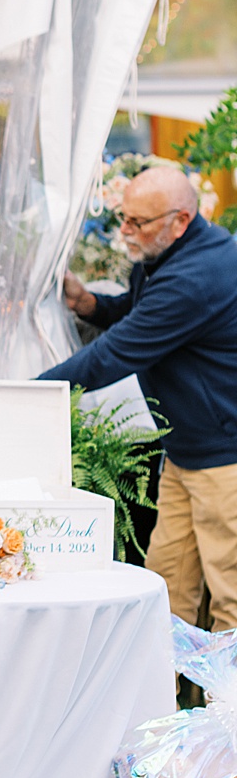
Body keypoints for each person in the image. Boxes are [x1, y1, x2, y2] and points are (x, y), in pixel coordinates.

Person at [41, 164, 237, 632]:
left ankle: (225, 704)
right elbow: (141, 312)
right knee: (167, 589)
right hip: (187, 453)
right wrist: (91, 305)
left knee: (230, 599)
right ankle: (163, 700)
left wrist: (24, 393)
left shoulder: (197, 276)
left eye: (138, 222)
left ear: (181, 220)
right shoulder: (171, 253)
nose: (125, 231)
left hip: (222, 463)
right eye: (123, 217)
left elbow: (113, 356)